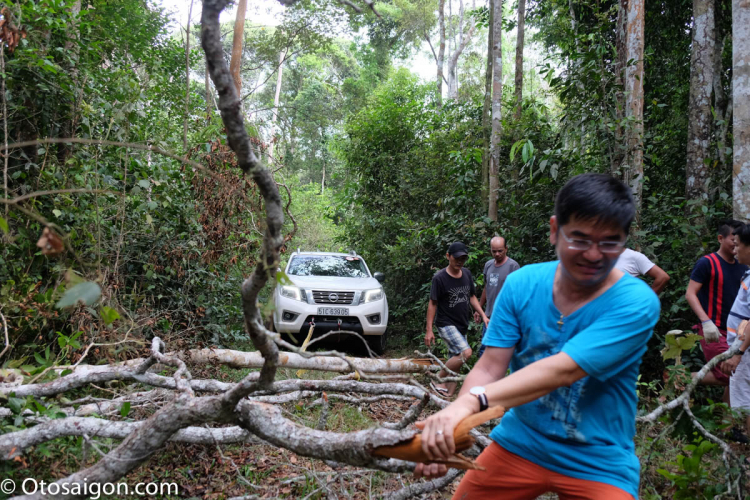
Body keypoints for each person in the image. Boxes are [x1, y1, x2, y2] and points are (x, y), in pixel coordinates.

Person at [414, 173, 660, 500]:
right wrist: (452, 428)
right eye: (580, 239)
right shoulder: (522, 286)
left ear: (625, 241)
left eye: (610, 242)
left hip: (598, 458)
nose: (593, 254)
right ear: (555, 230)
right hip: (522, 441)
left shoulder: (635, 302)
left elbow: (565, 369)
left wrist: (470, 403)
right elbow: (489, 368)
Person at [686, 220, 747, 395]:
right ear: (720, 238)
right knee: (732, 373)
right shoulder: (707, 262)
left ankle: (728, 421)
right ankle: (681, 377)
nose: (735, 244)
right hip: (714, 330)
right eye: (732, 239)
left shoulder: (743, 265)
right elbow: (690, 293)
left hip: (739, 332)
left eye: (738, 240)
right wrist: (706, 322)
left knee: (737, 376)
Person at [425, 241, 488, 397]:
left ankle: (448, 395)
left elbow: (472, 296)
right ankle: (437, 379)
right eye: (457, 258)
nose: (460, 261)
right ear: (448, 256)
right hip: (446, 324)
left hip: (462, 323)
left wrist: (483, 315)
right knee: (465, 353)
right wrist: (429, 330)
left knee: (458, 359)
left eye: (463, 258)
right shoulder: (439, 278)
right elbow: (432, 303)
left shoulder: (466, 273)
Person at [719, 223, 750, 439]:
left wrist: (738, 353)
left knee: (745, 400)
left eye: (738, 245)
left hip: (745, 349)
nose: (735, 249)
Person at [474, 236, 520, 357]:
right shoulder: (488, 265)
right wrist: (479, 309)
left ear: (506, 249)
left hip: (506, 316)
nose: (497, 254)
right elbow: (486, 288)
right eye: (494, 251)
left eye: (500, 251)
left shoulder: (513, 266)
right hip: (489, 316)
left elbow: (518, 292)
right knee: (485, 348)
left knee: (504, 349)